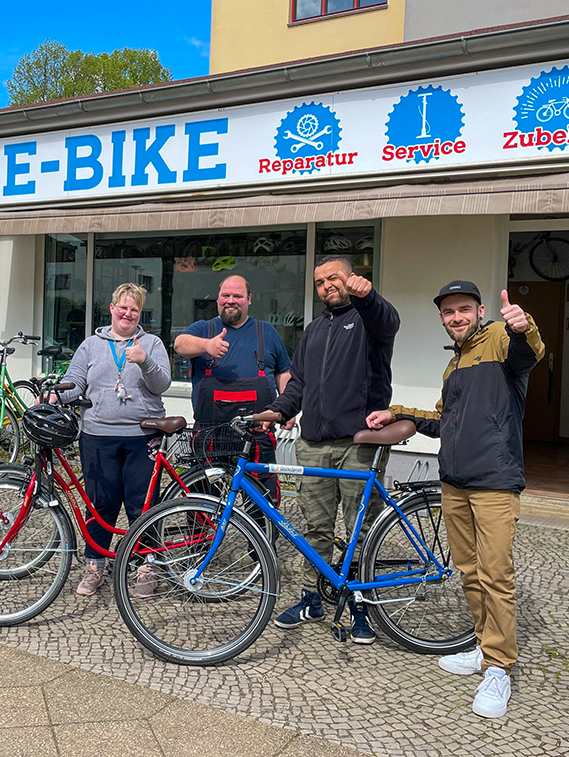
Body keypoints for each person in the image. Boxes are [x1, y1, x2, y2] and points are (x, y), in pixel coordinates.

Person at [366, 281, 544, 719]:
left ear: (481, 311)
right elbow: (444, 419)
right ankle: (484, 648)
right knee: (467, 571)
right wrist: (399, 411)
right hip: (455, 482)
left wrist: (524, 327)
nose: (457, 317)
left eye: (464, 309)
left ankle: (500, 667)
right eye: (449, 312)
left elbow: (529, 354)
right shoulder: (457, 363)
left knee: (495, 575)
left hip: (496, 481)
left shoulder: (502, 339)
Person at [262, 255, 400, 644]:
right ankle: (312, 597)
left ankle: (361, 604)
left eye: (333, 278)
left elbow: (389, 321)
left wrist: (369, 296)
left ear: (352, 277)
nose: (326, 286)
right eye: (320, 282)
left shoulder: (370, 320)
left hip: (358, 442)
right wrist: (278, 410)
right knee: (315, 528)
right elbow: (299, 384)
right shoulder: (314, 330)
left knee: (361, 528)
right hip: (313, 444)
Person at [49, 283, 171, 596]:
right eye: (123, 307)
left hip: (142, 436)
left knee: (142, 507)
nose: (128, 313)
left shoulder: (152, 343)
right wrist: (56, 395)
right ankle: (95, 567)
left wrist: (144, 360)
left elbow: (162, 385)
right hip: (97, 436)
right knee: (100, 505)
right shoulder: (91, 345)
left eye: (135, 309)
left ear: (139, 313)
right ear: (112, 308)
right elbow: (75, 382)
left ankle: (146, 565)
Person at [173, 275, 291, 498]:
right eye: (225, 295)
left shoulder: (267, 332)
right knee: (202, 504)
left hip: (257, 435)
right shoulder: (204, 329)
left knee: (262, 503)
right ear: (218, 299)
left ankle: (262, 532)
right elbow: (180, 344)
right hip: (210, 436)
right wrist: (206, 345)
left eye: (237, 296)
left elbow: (283, 373)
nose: (231, 300)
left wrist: (288, 408)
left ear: (249, 299)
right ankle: (203, 534)